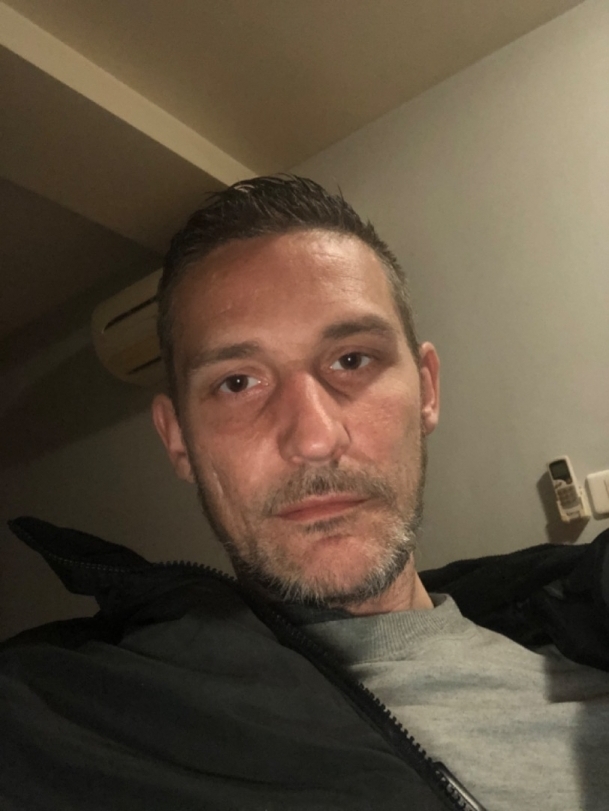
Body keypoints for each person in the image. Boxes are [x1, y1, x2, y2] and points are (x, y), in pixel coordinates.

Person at [1, 176, 608, 811]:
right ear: (178, 439)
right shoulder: (67, 728)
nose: (315, 438)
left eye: (352, 360)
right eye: (238, 383)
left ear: (427, 390)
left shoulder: (581, 624)